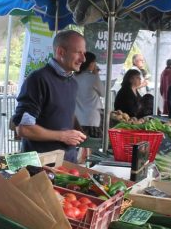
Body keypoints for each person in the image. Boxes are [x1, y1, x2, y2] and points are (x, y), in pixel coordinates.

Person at [12, 30, 87, 161]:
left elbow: (66, 111)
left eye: (84, 53)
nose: (83, 59)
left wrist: (83, 140)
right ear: (61, 52)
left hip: (68, 161)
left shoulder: (73, 82)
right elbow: (24, 129)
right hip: (40, 164)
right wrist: (63, 136)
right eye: (78, 52)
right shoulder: (38, 79)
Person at [73, 51, 104, 139]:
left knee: (80, 146)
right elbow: (103, 93)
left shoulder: (73, 77)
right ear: (91, 63)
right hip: (92, 119)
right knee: (92, 147)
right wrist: (96, 74)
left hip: (77, 119)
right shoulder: (93, 78)